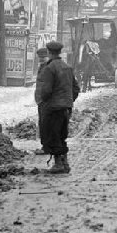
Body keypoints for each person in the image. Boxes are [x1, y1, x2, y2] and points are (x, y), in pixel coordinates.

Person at [38, 41, 80, 174]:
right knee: (62, 134)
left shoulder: (49, 68)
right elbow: (76, 88)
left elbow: (46, 90)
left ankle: (58, 164)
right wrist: (68, 101)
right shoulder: (67, 67)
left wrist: (44, 102)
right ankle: (65, 162)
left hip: (53, 107)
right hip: (66, 107)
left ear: (50, 53)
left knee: (53, 135)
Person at [33, 47, 50, 155]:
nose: (41, 59)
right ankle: (46, 146)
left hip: (47, 101)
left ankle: (47, 147)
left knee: (46, 124)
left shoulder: (49, 69)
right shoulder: (42, 67)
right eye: (40, 58)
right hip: (42, 100)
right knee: (43, 124)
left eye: (43, 57)